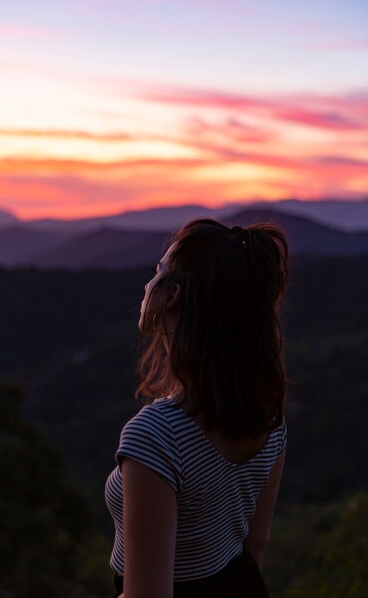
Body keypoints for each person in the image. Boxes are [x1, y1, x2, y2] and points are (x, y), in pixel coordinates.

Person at [105, 218, 289, 598]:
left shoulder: (156, 437)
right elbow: (255, 544)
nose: (146, 284)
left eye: (157, 272)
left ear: (172, 296)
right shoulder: (269, 415)